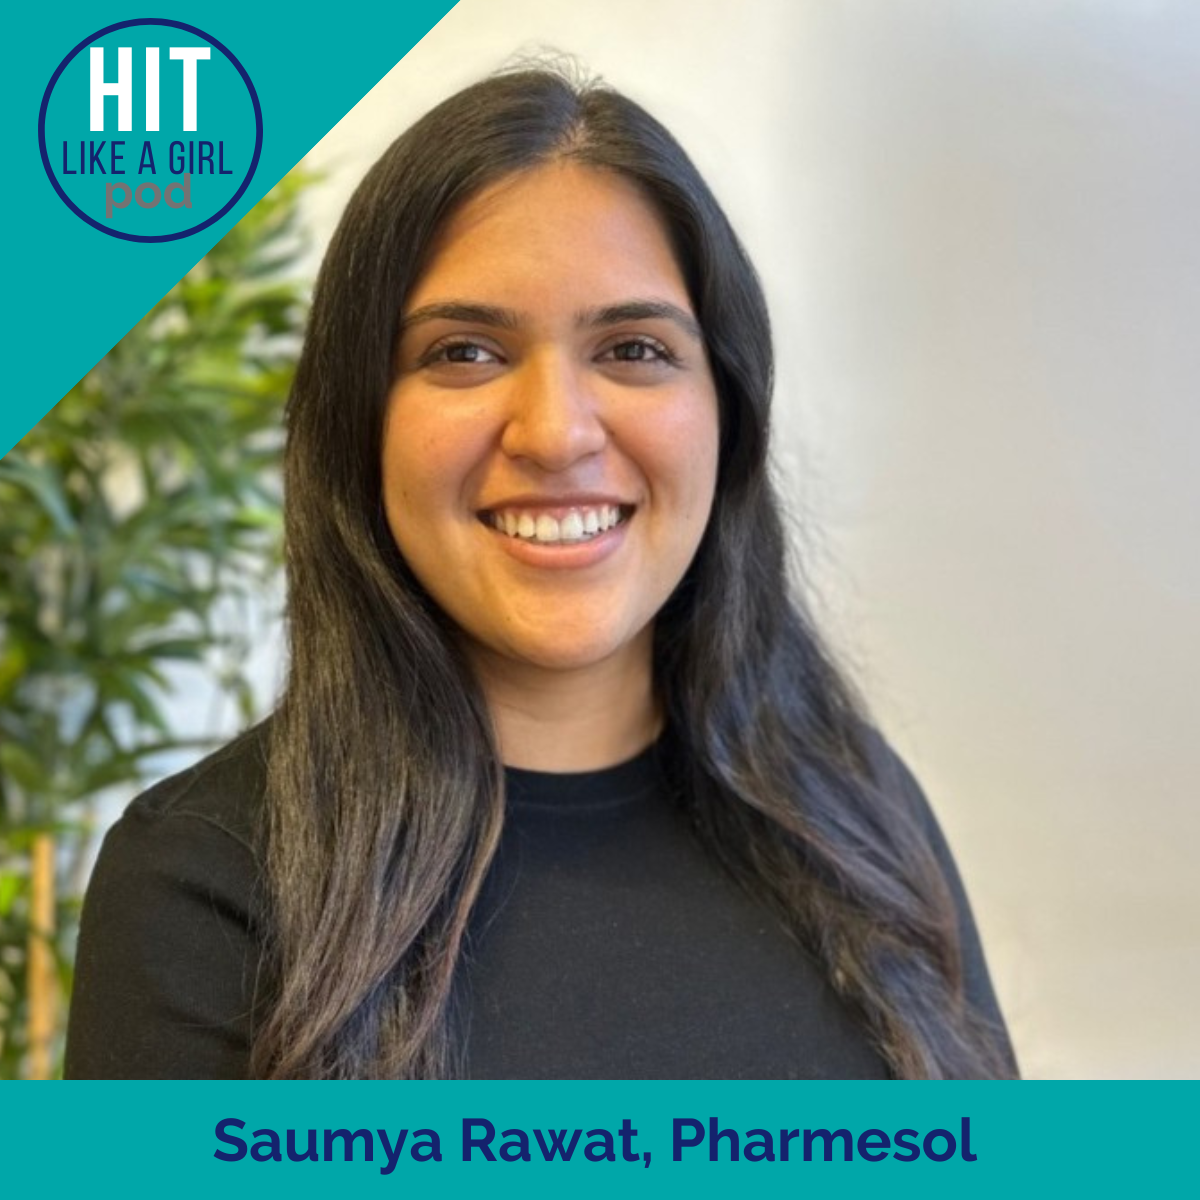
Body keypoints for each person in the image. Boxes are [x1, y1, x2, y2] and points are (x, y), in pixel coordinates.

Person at [65, 66, 1018, 1080]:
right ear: (361, 422)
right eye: (465, 353)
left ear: (727, 411)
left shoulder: (854, 811)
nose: (557, 433)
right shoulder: (201, 883)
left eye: (634, 348)